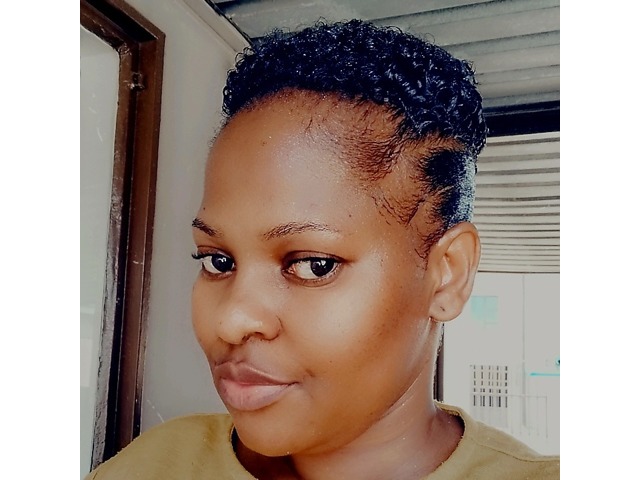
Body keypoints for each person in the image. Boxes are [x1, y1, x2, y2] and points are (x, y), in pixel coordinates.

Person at [86, 19, 560, 480]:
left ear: (447, 275)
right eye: (218, 261)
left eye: (313, 266)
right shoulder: (154, 465)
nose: (230, 321)